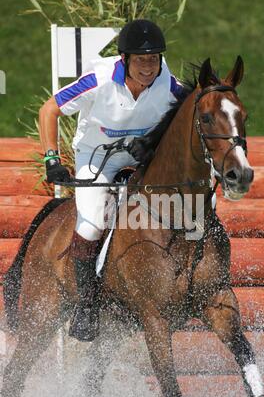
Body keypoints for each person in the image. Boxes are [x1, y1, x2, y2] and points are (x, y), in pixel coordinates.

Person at [39, 19, 184, 342]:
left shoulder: (170, 86)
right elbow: (49, 110)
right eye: (141, 60)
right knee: (90, 225)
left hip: (141, 159)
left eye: (154, 59)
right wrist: (52, 159)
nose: (149, 67)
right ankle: (87, 307)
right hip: (96, 157)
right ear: (124, 60)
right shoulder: (98, 80)